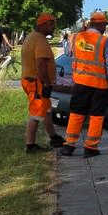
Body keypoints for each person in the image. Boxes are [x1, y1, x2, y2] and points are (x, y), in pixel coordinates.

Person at [60, 11, 108, 157]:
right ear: (99, 24)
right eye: (104, 24)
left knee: (76, 114)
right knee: (96, 116)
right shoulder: (104, 41)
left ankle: (69, 145)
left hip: (80, 84)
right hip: (100, 86)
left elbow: (69, 54)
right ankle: (90, 148)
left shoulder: (77, 37)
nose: (105, 27)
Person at [21, 13, 65, 153]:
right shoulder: (39, 40)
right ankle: (30, 145)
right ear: (44, 24)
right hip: (37, 83)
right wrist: (46, 83)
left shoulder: (32, 37)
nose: (54, 28)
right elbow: (40, 64)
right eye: (52, 25)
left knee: (46, 110)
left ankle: (53, 137)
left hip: (32, 80)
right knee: (36, 113)